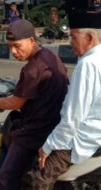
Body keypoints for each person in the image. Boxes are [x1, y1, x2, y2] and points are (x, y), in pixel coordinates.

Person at [0, 19, 69, 190]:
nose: (13, 51)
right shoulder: (51, 56)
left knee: (5, 178)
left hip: (34, 132)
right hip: (54, 124)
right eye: (10, 46)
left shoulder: (32, 69)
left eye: (17, 46)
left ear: (32, 41)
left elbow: (14, 102)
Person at [29, 10, 101, 190]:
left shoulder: (88, 64)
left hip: (85, 138)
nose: (70, 43)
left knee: (37, 178)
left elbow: (72, 119)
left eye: (74, 37)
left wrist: (48, 147)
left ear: (90, 38)